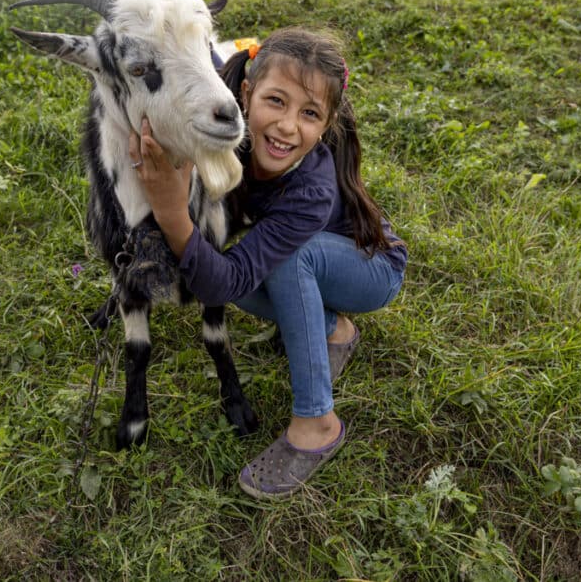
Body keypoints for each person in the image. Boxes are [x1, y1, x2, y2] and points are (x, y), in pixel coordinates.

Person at [128, 27, 407, 498]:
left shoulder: (312, 190)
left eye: (310, 114)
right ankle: (333, 330)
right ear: (246, 92)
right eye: (276, 102)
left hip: (373, 270)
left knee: (277, 262)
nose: (287, 126)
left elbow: (221, 284)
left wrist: (171, 212)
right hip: (317, 262)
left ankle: (318, 423)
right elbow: (185, 79)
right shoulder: (227, 123)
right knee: (223, 268)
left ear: (326, 125)